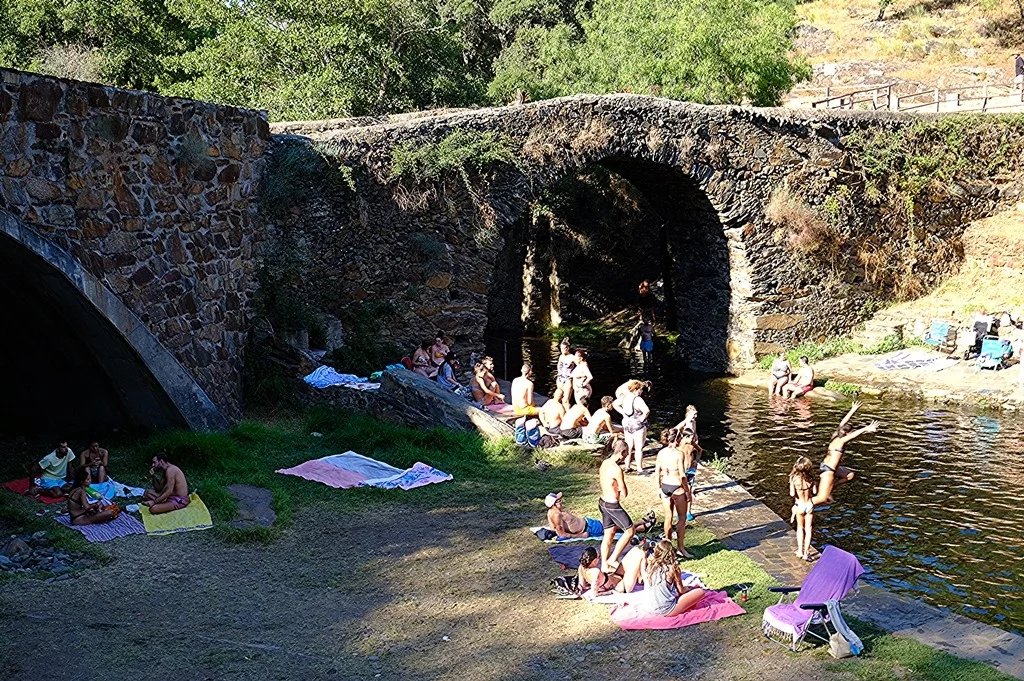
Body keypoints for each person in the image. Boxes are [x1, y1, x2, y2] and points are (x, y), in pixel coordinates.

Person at [813, 401, 878, 505]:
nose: (851, 434)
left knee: (850, 475)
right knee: (822, 498)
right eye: (851, 432)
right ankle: (801, 506)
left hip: (833, 467)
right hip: (828, 470)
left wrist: (853, 409)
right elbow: (852, 436)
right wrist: (865, 428)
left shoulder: (837, 434)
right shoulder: (839, 441)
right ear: (847, 433)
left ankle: (828, 485)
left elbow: (842, 423)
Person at [599, 439, 637, 571]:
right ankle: (613, 558)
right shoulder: (617, 469)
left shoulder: (605, 462)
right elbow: (624, 491)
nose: (627, 456)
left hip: (602, 502)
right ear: (622, 452)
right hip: (612, 505)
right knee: (630, 531)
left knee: (608, 534)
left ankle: (604, 565)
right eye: (627, 453)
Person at [655, 429, 694, 558]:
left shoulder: (661, 453)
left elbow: (656, 473)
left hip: (665, 486)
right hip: (677, 486)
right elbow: (682, 475)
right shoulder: (679, 454)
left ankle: (667, 547)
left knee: (668, 517)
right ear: (677, 439)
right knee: (682, 518)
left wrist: (658, 488)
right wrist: (687, 491)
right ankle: (681, 548)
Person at [642, 540, 706, 617]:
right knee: (700, 592)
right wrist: (690, 589)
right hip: (666, 610)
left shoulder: (650, 567)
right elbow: (681, 590)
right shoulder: (673, 568)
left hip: (649, 608)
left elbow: (642, 566)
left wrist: (644, 554)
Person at [577, 545, 647, 595]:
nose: (600, 559)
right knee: (641, 553)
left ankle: (641, 577)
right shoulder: (595, 571)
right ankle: (646, 581)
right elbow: (595, 592)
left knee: (635, 549)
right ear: (595, 560)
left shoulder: (581, 568)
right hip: (622, 586)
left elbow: (583, 585)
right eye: (599, 557)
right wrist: (609, 592)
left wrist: (587, 586)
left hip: (617, 576)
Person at [614, 380, 650, 474]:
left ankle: (627, 466)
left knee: (629, 446)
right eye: (641, 390)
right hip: (637, 426)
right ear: (636, 389)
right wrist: (641, 419)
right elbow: (646, 411)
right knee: (639, 448)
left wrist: (623, 413)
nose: (641, 392)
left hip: (626, 424)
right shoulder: (638, 399)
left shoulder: (625, 396)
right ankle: (639, 469)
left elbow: (615, 404)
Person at [789, 456, 817, 561]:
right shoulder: (811, 479)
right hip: (809, 505)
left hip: (799, 505)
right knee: (808, 529)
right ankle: (806, 553)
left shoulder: (793, 479)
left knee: (800, 528)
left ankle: (800, 550)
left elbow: (792, 494)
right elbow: (814, 492)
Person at [553, 338, 576, 409]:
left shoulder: (572, 357)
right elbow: (558, 365)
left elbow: (579, 366)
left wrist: (572, 375)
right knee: (557, 397)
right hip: (560, 378)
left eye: (564, 349)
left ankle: (568, 414)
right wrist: (558, 372)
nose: (562, 350)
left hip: (568, 379)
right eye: (561, 348)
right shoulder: (561, 356)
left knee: (565, 400)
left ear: (568, 348)